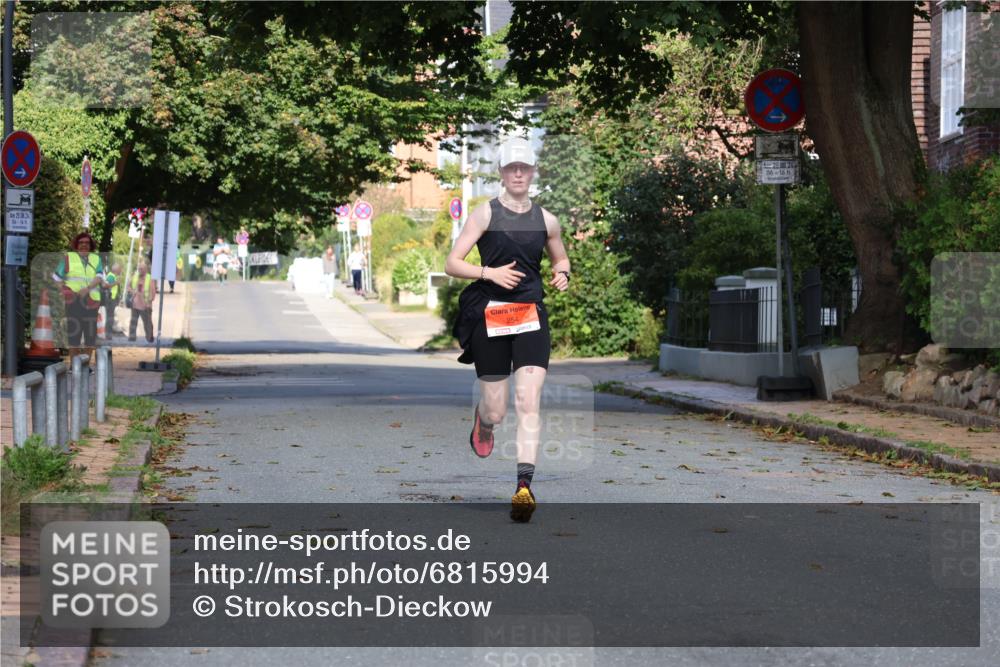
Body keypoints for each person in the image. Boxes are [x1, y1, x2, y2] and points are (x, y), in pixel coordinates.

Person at [445, 137, 570, 523]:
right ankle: (483, 422)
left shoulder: (548, 220)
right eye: (511, 167)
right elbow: (452, 263)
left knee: (528, 400)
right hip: (492, 314)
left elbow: (560, 254)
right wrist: (489, 273)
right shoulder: (485, 214)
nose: (518, 173)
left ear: (532, 172)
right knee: (498, 410)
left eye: (524, 167)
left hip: (531, 314)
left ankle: (523, 488)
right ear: (501, 172)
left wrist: (561, 271)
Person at [52, 232, 105, 363]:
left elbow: (100, 276)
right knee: (74, 334)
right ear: (76, 245)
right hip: (73, 301)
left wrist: (87, 288)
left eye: (87, 243)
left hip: (91, 300)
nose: (84, 245)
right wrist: (64, 291)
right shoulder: (68, 258)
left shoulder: (96, 259)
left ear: (90, 245)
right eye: (81, 243)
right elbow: (56, 277)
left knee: (90, 335)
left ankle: (86, 365)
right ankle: (74, 365)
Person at [127, 260, 157, 343]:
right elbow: (128, 286)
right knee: (133, 321)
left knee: (147, 323)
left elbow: (153, 293)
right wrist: (131, 291)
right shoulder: (135, 276)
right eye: (139, 268)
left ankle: (149, 338)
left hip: (145, 305)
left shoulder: (149, 278)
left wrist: (148, 302)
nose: (139, 270)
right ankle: (132, 337)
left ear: (145, 270)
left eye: (141, 269)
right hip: (135, 304)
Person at [102, 261, 124, 340]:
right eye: (120, 269)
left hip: (112, 299)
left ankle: (109, 335)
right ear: (116, 270)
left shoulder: (113, 276)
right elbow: (105, 285)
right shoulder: (111, 276)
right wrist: (116, 283)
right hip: (110, 300)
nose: (121, 270)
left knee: (111, 317)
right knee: (109, 318)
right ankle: (108, 336)